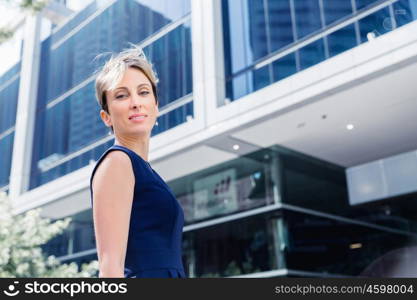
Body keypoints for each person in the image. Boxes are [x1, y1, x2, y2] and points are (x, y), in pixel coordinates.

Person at [90, 46, 186, 278]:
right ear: (107, 117)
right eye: (122, 95)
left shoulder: (144, 170)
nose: (135, 102)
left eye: (143, 92)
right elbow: (110, 270)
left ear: (155, 106)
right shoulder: (118, 162)